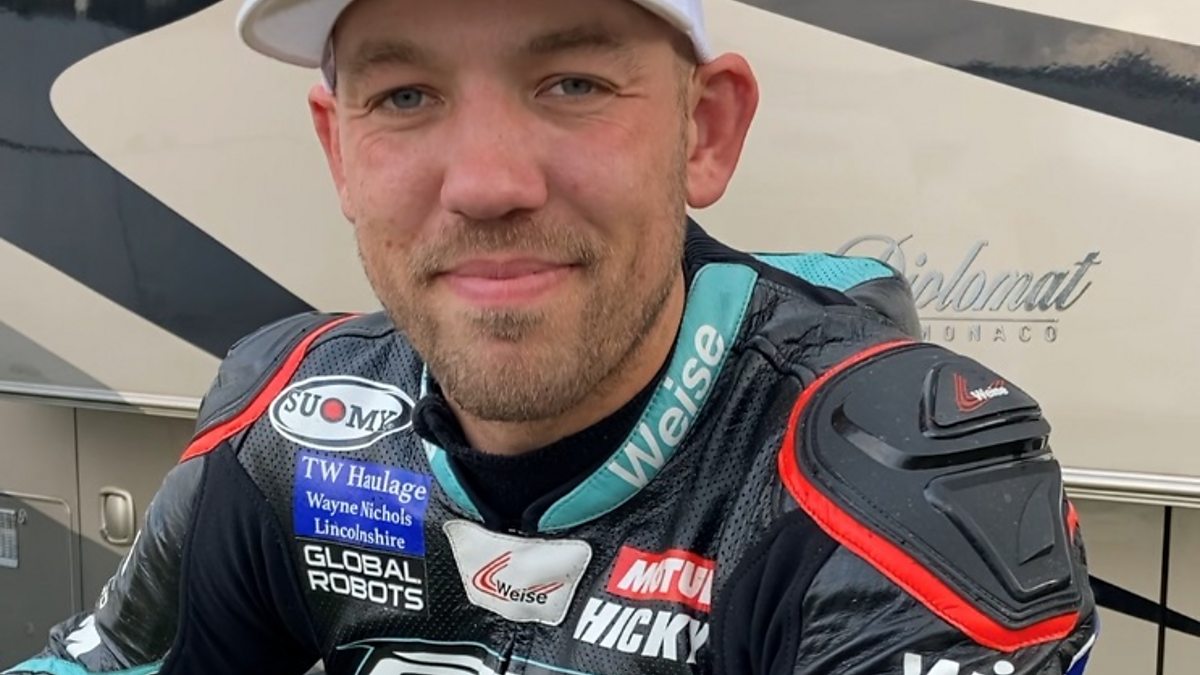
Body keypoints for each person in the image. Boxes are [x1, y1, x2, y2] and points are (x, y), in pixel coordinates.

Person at [6, 0, 1097, 673]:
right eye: (406, 95)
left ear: (705, 130)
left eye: (573, 83)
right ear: (340, 153)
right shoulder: (287, 422)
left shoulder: (902, 487)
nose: (487, 183)